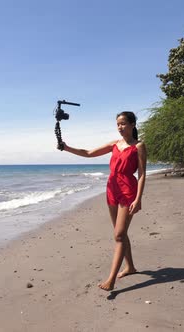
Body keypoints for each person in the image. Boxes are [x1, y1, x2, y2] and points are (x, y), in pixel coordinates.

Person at [60, 111, 147, 291]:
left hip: (128, 189)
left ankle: (111, 280)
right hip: (111, 188)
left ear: (132, 124)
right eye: (118, 124)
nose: (120, 127)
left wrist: (138, 199)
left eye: (123, 123)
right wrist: (66, 147)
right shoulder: (115, 144)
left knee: (119, 235)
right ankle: (130, 267)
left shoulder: (139, 146)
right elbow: (89, 153)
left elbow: (142, 174)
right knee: (120, 233)